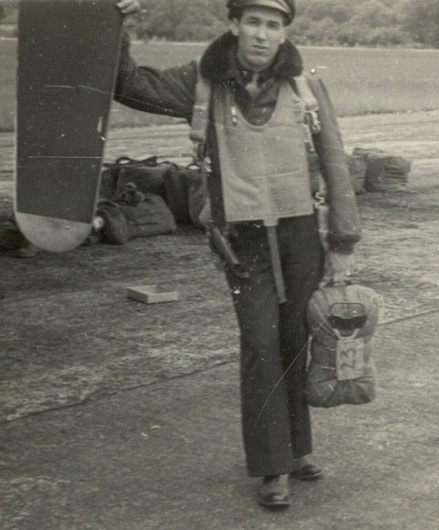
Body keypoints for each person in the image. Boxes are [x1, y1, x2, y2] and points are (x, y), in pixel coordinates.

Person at [112, 0, 361, 508]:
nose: (262, 35)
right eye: (253, 22)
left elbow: (335, 161)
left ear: (284, 32)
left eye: (273, 25)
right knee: (261, 345)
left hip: (300, 236)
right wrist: (121, 30)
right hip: (242, 241)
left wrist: (342, 243)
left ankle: (298, 450)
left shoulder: (305, 88)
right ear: (234, 25)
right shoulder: (200, 82)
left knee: (294, 341)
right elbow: (129, 85)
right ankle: (272, 467)